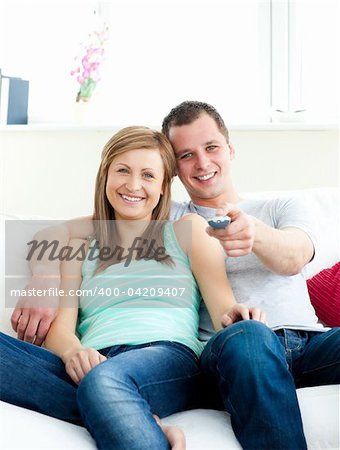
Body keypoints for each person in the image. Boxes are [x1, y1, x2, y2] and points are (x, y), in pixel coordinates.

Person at [8, 101, 340, 449]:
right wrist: (45, 280)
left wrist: (254, 235)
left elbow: (292, 257)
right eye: (186, 155)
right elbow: (51, 235)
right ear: (176, 174)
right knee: (242, 338)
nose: (202, 162)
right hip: (229, 351)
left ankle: (121, 404)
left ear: (229, 149)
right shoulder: (161, 219)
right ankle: (130, 412)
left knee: (243, 335)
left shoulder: (266, 210)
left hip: (289, 343)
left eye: (211, 147)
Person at [1, 125, 263, 450]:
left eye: (148, 175)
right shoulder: (80, 247)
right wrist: (74, 352)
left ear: (164, 186)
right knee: (101, 380)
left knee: (106, 380)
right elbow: (62, 328)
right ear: (105, 175)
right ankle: (135, 416)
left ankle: (118, 403)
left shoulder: (187, 231)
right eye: (123, 170)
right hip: (94, 361)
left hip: (167, 355)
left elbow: (223, 306)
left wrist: (237, 314)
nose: (134, 185)